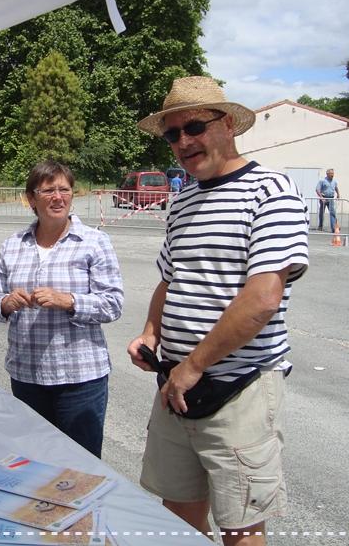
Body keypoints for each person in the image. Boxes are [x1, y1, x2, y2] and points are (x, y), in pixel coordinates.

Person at [128, 77, 309, 546]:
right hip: (175, 385)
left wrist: (192, 366)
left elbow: (263, 298)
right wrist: (150, 333)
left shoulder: (272, 190)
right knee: (177, 513)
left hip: (240, 390)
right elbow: (171, 278)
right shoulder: (183, 197)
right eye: (172, 135)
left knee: (241, 527)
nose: (184, 142)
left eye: (194, 127)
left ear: (227, 124)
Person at [0, 160, 123, 459]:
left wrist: (69, 301)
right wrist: (6, 304)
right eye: (48, 190)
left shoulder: (94, 242)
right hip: (27, 375)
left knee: (80, 467)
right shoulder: (12, 245)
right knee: (33, 461)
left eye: (65, 189)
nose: (58, 197)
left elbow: (113, 303)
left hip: (80, 378)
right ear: (31, 199)